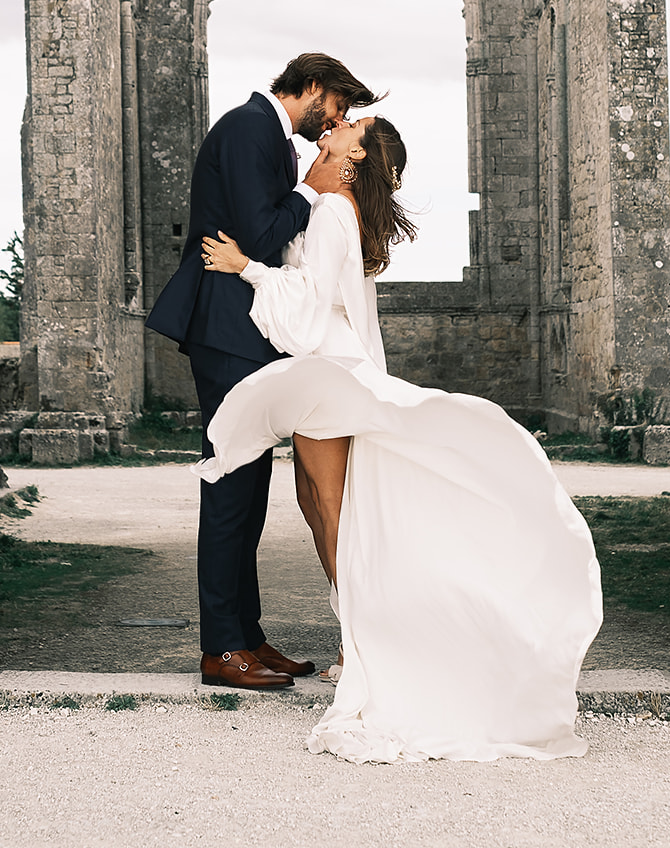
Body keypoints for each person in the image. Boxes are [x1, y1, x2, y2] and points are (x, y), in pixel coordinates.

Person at [198, 115, 603, 764]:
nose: (336, 122)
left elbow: (309, 300)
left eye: (351, 126)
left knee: (329, 512)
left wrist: (244, 266)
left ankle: (360, 644)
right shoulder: (334, 204)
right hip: (323, 372)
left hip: (325, 373)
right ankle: (355, 636)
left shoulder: (333, 210)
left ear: (353, 157)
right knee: (317, 508)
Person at [146, 52, 379, 691]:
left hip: (245, 328)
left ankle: (247, 636)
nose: (338, 118)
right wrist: (313, 189)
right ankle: (223, 648)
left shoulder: (269, 136)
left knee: (248, 495)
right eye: (337, 105)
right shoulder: (251, 128)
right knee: (229, 488)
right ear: (310, 88)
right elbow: (258, 228)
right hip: (225, 327)